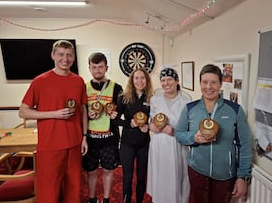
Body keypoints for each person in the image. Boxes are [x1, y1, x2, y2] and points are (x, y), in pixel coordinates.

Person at [19, 40, 88, 203]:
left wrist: (84, 136)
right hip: (50, 145)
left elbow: (83, 110)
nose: (65, 58)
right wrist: (54, 114)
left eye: (69, 55)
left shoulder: (78, 81)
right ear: (53, 56)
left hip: (74, 143)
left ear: (73, 57)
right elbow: (23, 111)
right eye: (61, 54)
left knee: (74, 190)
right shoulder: (40, 81)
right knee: (48, 192)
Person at [175, 64, 252, 203]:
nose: (209, 87)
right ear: (200, 84)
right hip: (197, 170)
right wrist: (194, 138)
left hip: (225, 175)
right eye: (205, 82)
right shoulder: (190, 108)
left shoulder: (235, 110)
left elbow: (245, 145)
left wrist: (243, 177)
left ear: (221, 84)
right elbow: (179, 134)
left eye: (214, 82)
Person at [147, 67, 192, 203]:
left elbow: (190, 127)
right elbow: (151, 118)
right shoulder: (155, 99)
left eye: (169, 79)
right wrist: (151, 125)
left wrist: (175, 131)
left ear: (177, 81)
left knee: (177, 178)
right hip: (158, 144)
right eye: (163, 80)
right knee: (160, 177)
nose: (166, 83)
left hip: (176, 144)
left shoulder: (186, 101)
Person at [82, 52, 123, 203]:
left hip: (109, 139)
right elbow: (81, 112)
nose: (97, 70)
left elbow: (121, 111)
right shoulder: (83, 87)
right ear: (89, 68)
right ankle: (92, 199)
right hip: (90, 139)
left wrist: (116, 115)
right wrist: (88, 114)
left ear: (106, 68)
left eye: (100, 67)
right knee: (91, 172)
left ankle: (106, 199)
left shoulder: (117, 88)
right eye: (94, 67)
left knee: (108, 170)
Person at [113, 68, 153, 203]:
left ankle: (139, 200)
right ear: (132, 80)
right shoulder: (123, 97)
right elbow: (115, 119)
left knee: (142, 176)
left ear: (147, 80)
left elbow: (156, 118)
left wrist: (148, 126)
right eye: (136, 78)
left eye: (143, 78)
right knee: (127, 176)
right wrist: (128, 123)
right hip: (127, 143)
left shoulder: (152, 98)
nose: (140, 81)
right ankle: (127, 200)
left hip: (144, 143)